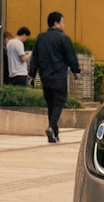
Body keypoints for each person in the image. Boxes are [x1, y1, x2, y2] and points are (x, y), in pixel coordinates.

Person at [28, 11, 80, 143]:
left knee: (51, 104)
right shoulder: (63, 38)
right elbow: (70, 56)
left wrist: (32, 75)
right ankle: (51, 127)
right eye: (62, 22)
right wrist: (75, 71)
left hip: (45, 77)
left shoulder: (40, 38)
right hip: (59, 76)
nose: (64, 25)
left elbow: (35, 57)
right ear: (56, 23)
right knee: (60, 101)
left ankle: (54, 134)